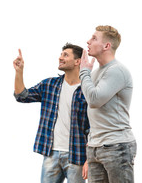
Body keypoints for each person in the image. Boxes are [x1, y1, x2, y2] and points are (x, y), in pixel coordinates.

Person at [13, 43, 89, 183]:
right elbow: (22, 96)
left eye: (65, 55)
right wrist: (19, 72)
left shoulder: (88, 91)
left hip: (77, 155)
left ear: (78, 61)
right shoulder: (49, 85)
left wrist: (90, 159)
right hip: (51, 153)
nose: (60, 58)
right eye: (61, 54)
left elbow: (92, 128)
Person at [80, 25, 136, 183]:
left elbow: (94, 100)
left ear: (106, 46)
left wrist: (84, 72)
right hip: (95, 147)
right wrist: (90, 146)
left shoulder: (117, 71)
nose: (88, 41)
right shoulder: (96, 72)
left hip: (116, 146)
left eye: (94, 38)